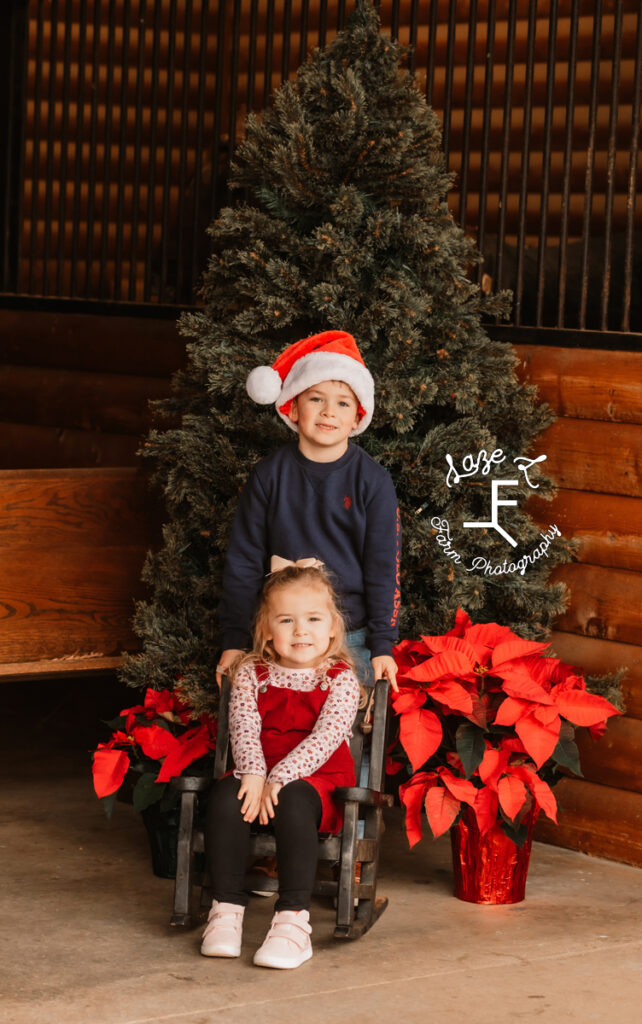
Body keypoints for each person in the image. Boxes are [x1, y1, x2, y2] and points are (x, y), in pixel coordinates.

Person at [215, 329, 401, 695]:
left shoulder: (373, 481)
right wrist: (234, 638)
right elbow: (244, 560)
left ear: (358, 416)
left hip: (351, 633)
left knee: (348, 731)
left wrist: (382, 644)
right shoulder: (269, 475)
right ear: (293, 407)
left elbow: (383, 567)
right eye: (316, 398)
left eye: (343, 403)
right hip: (281, 631)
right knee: (278, 725)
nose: (329, 411)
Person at [202, 564, 362, 969]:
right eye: (286, 620)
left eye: (313, 619)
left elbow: (327, 737)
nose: (300, 631)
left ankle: (293, 920)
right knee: (226, 795)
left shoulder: (339, 678)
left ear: (332, 629)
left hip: (317, 780)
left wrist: (280, 777)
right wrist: (255, 774)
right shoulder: (250, 674)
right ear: (267, 629)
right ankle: (226, 909)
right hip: (259, 771)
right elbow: (243, 727)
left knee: (292, 800)